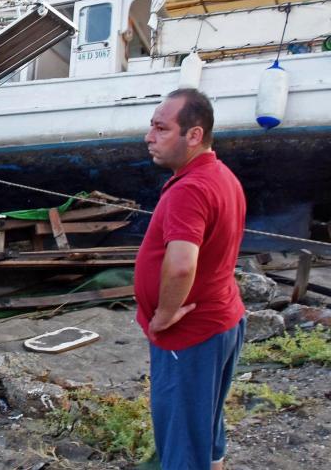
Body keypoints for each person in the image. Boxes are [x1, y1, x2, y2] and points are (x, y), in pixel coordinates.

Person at [134, 88, 247, 469]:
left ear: (194, 135)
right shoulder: (222, 176)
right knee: (206, 431)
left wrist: (164, 315)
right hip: (222, 319)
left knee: (182, 445)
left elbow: (182, 264)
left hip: (192, 333)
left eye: (161, 129)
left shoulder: (191, 189)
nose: (149, 137)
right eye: (151, 127)